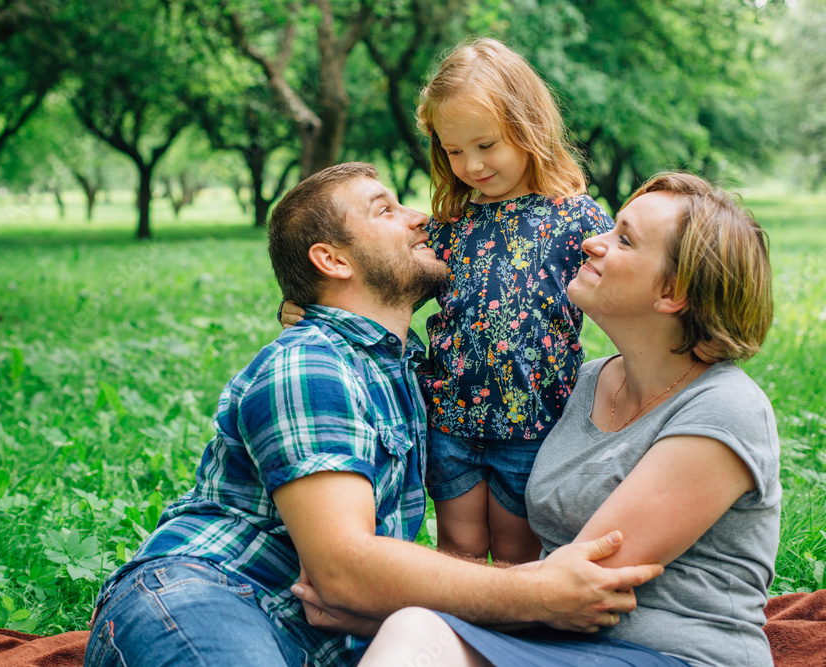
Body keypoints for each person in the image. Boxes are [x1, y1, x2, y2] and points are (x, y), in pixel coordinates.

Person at [83, 163, 663, 667]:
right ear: (332, 259)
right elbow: (343, 569)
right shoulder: (310, 364)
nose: (419, 218)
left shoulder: (406, 373)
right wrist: (538, 591)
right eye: (385, 209)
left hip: (329, 638)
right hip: (209, 595)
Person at [332, 172, 779, 667]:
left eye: (623, 239)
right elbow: (544, 593)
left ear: (672, 292)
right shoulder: (590, 382)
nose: (591, 240)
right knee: (417, 633)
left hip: (668, 654)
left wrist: (375, 602)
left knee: (414, 630)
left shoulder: (724, 408)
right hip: (553, 644)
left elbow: (575, 588)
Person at [281, 37, 614, 566]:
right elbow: (382, 288)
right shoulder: (452, 227)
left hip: (531, 421)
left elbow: (624, 296)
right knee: (455, 551)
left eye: (486, 145)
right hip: (451, 421)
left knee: (515, 559)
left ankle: (505, 648)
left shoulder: (576, 219)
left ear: (529, 129)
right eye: (454, 151)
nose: (471, 165)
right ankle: (448, 643)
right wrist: (308, 308)